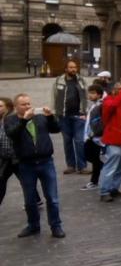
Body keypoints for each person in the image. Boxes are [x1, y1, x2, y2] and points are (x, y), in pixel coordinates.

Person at [4, 94, 65, 238]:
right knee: (30, 199)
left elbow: (56, 129)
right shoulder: (10, 120)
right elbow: (12, 134)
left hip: (46, 162)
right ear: (16, 106)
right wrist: (24, 120)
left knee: (52, 198)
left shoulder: (39, 117)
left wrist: (50, 117)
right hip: (26, 164)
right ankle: (33, 226)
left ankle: (56, 226)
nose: (27, 107)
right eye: (23, 104)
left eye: (28, 103)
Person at [53, 59, 89, 175]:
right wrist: (54, 112)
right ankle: (71, 165)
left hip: (79, 116)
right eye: (71, 67)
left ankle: (82, 166)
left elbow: (86, 96)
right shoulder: (59, 81)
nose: (73, 69)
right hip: (63, 116)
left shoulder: (81, 80)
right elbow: (54, 96)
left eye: (75, 67)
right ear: (66, 69)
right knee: (67, 141)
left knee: (79, 141)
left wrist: (86, 111)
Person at [99, 80, 121, 202]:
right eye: (119, 88)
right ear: (113, 90)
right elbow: (112, 106)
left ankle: (114, 188)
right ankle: (104, 190)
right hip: (113, 138)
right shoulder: (108, 101)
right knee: (111, 165)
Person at [81, 84, 105, 193]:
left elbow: (101, 121)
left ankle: (94, 181)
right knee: (89, 156)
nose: (90, 95)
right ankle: (101, 169)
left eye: (93, 93)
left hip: (96, 137)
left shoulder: (101, 105)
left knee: (94, 159)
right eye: (89, 93)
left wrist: (96, 133)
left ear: (99, 94)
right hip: (89, 136)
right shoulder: (93, 105)